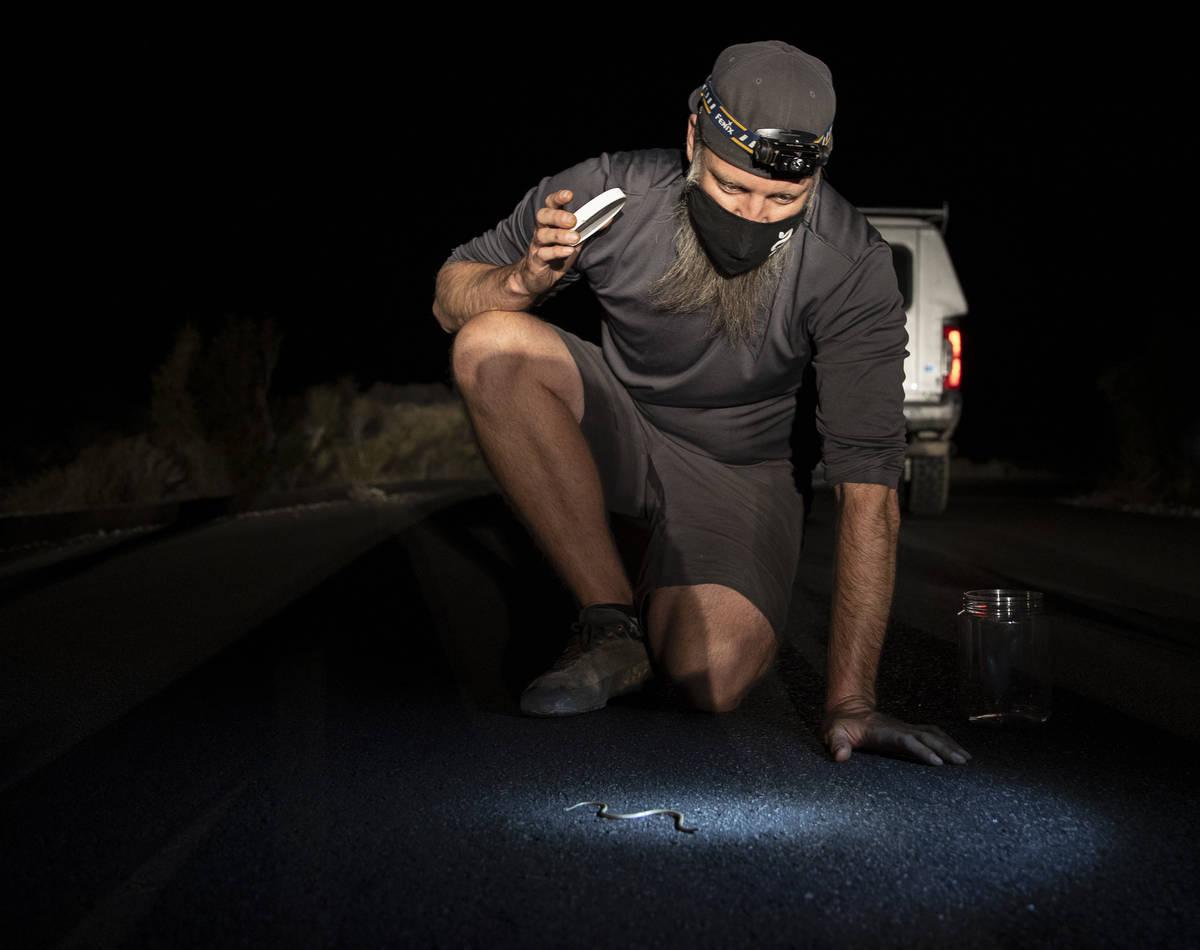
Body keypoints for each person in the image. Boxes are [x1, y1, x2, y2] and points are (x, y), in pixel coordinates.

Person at [433, 41, 969, 767]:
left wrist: (851, 700)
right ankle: (610, 619)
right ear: (693, 139)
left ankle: (660, 564)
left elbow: (869, 491)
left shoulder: (853, 268)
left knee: (709, 678)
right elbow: (449, 297)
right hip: (621, 423)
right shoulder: (607, 191)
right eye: (730, 187)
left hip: (739, 468)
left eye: (783, 199)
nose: (753, 216)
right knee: (489, 344)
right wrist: (523, 279)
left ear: (816, 174)